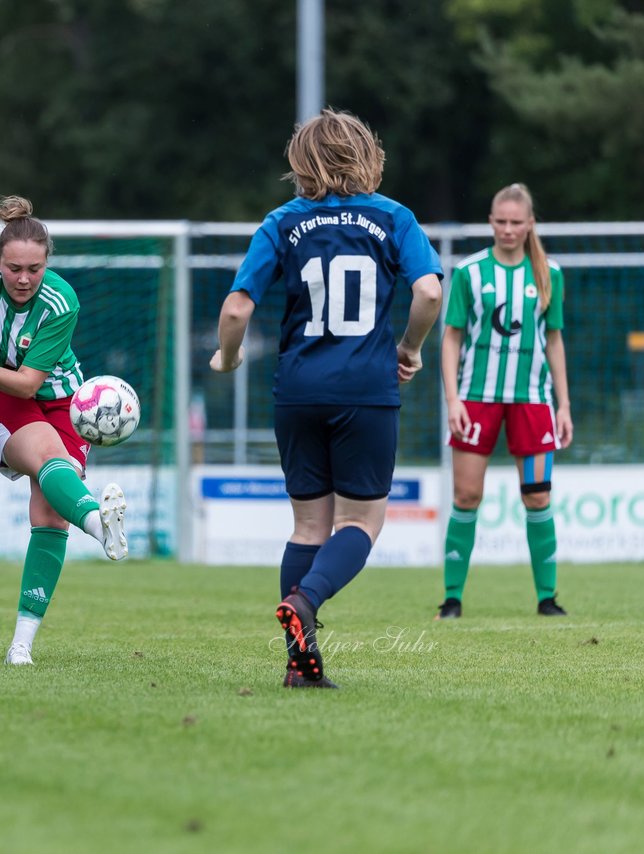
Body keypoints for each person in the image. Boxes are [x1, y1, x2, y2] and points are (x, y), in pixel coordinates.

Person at [210, 109, 443, 689]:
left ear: (301, 162)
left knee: (308, 526)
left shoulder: (282, 221)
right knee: (361, 521)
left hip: (297, 390)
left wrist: (230, 358)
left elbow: (238, 308)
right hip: (365, 390)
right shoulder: (394, 217)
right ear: (368, 156)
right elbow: (430, 292)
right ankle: (307, 600)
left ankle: (301, 666)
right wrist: (409, 348)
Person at [0, 196, 128, 667]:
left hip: (58, 397)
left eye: (34, 269)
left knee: (52, 515)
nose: (23, 279)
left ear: (46, 264)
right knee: (45, 460)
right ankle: (101, 525)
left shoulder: (62, 300)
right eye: (14, 268)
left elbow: (31, 383)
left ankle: (22, 646)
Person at [437, 183, 572, 619]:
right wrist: (452, 399)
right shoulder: (469, 272)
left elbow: (554, 340)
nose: (508, 229)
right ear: (490, 221)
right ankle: (452, 599)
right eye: (501, 221)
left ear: (530, 224)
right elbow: (452, 336)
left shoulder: (549, 272)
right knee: (467, 496)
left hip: (532, 403)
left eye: (517, 222)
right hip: (477, 400)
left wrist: (563, 405)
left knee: (537, 497)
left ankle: (547, 599)